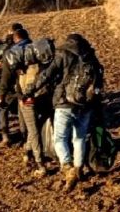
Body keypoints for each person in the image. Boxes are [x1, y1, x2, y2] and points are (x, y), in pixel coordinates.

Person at [25, 33, 104, 191]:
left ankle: (68, 169)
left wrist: (31, 89)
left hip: (64, 102)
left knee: (60, 138)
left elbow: (47, 74)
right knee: (79, 137)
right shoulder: (91, 57)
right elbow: (99, 82)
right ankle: (79, 168)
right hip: (85, 104)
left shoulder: (62, 53)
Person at [0, 28, 52, 176]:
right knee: (39, 124)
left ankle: (40, 164)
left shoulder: (12, 55)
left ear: (15, 39)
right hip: (44, 95)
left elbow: (5, 78)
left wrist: (1, 95)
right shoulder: (40, 51)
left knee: (33, 130)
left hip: (26, 98)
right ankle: (27, 152)